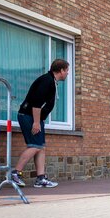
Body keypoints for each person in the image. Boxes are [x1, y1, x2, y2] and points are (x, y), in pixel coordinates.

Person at [10, 59, 69, 188]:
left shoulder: (51, 81)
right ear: (62, 70)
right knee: (34, 146)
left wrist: (38, 120)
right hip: (28, 116)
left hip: (35, 118)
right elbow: (36, 103)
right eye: (67, 70)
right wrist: (36, 122)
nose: (68, 73)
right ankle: (15, 174)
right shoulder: (46, 81)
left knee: (40, 147)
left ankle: (40, 178)